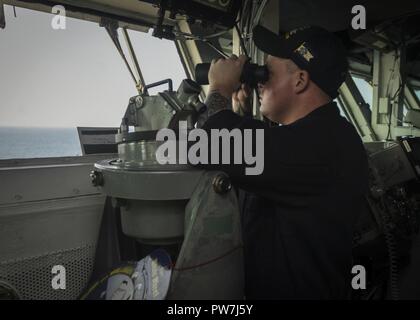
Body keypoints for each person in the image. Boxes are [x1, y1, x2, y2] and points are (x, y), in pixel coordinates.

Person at [195, 25, 369, 299]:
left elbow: (208, 145)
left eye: (266, 73)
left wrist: (219, 88)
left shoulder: (321, 142)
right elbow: (273, 160)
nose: (258, 82)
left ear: (300, 80)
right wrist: (240, 114)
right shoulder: (327, 134)